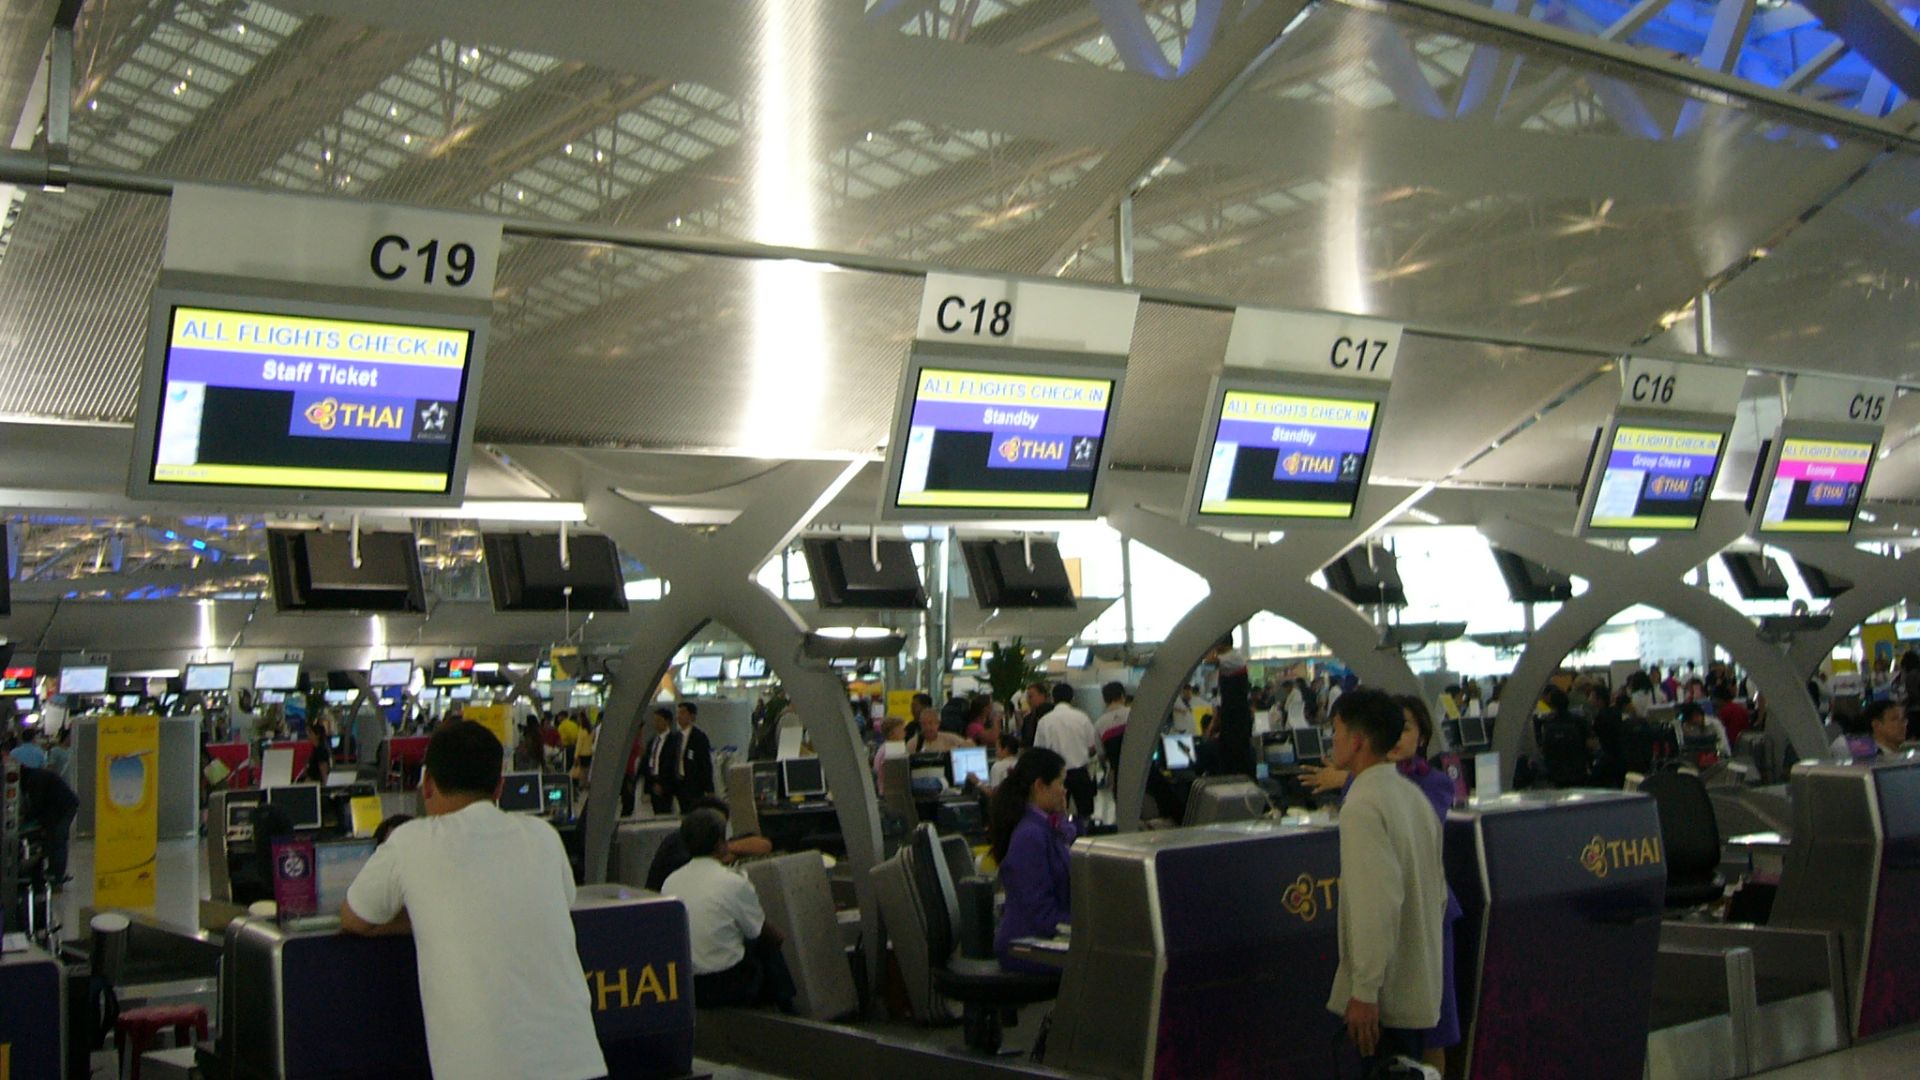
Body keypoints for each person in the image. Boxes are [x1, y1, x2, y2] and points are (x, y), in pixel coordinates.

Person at [340, 722, 607, 1080]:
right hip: (579, 1063)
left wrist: (421, 917)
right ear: (499, 787)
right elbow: (557, 902)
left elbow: (355, 918)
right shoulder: (543, 837)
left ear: (427, 784)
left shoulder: (410, 842)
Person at [1324, 689, 1446, 1070]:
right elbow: (1438, 894)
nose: (1334, 741)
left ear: (1358, 740)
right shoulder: (1411, 796)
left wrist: (1364, 990)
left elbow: (1376, 904)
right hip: (1417, 988)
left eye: (1338, 732)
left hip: (1383, 1004)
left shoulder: (1362, 806)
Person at [661, 808, 795, 1010]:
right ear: (720, 844)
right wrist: (780, 937)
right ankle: (787, 1010)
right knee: (767, 944)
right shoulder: (733, 882)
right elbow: (755, 932)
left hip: (688, 985)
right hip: (725, 986)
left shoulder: (670, 882)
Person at [989, 748, 1080, 974]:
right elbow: (1040, 913)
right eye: (1060, 783)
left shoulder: (1045, 827)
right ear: (1040, 786)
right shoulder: (1030, 835)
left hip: (1041, 936)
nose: (1064, 791)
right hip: (1026, 947)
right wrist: (1085, 929)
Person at [644, 796, 773, 891]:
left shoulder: (718, 842)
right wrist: (726, 853)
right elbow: (697, 867)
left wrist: (725, 848)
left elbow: (764, 845)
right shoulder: (676, 842)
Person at [1033, 683, 1098, 820]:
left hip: (1055, 775)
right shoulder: (1082, 717)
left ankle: (1062, 837)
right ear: (1072, 698)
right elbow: (1093, 747)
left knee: (1057, 813)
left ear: (1053, 698)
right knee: (1085, 813)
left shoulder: (1045, 721)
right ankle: (1085, 836)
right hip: (1080, 772)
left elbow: (1039, 751)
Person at [18, 764, 79, 892]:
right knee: (53, 838)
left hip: (65, 807)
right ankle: (52, 872)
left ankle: (57, 878)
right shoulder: (36, 776)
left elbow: (38, 803)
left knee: (58, 838)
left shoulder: (36, 779)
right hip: (57, 807)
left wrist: (26, 817)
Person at [1832, 699, 1906, 759]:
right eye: (1894, 719)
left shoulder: (1910, 755)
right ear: (1876, 725)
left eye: (1903, 720)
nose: (1902, 725)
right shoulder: (1857, 750)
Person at [673, 702, 714, 811]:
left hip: (694, 785)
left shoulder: (699, 737)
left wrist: (709, 787)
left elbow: (705, 763)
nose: (679, 716)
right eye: (678, 713)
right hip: (679, 784)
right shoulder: (676, 737)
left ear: (692, 716)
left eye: (682, 713)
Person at [642, 707, 679, 815]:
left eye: (659, 720)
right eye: (655, 720)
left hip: (666, 783)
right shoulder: (653, 741)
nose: (656, 723)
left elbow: (670, 763)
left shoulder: (673, 740)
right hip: (653, 781)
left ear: (667, 721)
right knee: (656, 811)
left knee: (665, 811)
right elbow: (648, 761)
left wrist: (662, 782)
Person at [298, 718, 332, 785]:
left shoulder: (321, 750)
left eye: (310, 732)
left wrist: (325, 785)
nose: (308, 735)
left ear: (317, 735)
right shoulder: (315, 749)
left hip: (316, 782)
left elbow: (323, 769)